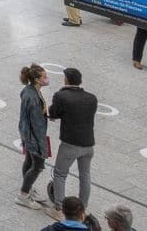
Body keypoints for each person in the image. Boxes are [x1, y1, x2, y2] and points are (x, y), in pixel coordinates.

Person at [47, 67, 98, 211]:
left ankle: (59, 206)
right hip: (88, 144)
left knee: (60, 173)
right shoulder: (91, 98)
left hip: (70, 144)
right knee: (85, 175)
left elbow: (54, 113)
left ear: (66, 80)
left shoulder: (62, 96)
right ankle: (83, 207)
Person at [19, 64, 51, 210]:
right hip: (34, 136)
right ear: (37, 80)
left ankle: (28, 188)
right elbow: (37, 124)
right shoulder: (33, 97)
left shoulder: (29, 90)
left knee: (29, 160)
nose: (47, 79)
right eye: (44, 77)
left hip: (26, 132)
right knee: (38, 165)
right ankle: (23, 194)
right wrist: (42, 145)